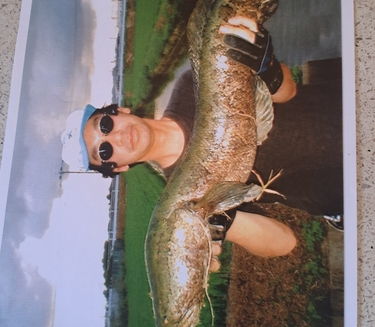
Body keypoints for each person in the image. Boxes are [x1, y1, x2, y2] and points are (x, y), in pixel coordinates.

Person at [61, 16, 342, 270]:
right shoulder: (190, 200)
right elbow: (283, 242)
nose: (116, 137)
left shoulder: (193, 84)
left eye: (105, 126)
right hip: (339, 187)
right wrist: (221, 222)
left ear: (119, 111)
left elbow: (288, 91)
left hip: (341, 103)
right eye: (105, 150)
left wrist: (268, 68)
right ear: (119, 168)